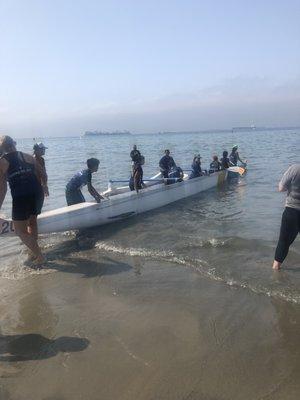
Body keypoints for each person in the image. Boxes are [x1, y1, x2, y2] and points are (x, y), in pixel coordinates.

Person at [0, 135, 46, 266]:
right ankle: (33, 252)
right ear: (14, 143)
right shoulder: (28, 156)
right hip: (37, 193)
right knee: (32, 223)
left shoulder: (2, 162)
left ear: (2, 148)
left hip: (21, 196)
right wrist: (45, 186)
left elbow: (2, 188)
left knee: (20, 231)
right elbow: (43, 173)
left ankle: (40, 256)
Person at [272, 164, 300, 270]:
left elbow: (281, 188)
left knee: (283, 242)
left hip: (292, 210)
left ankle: (275, 270)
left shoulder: (295, 168)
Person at [33, 142, 49, 214]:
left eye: (44, 149)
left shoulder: (42, 160)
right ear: (37, 150)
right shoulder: (32, 159)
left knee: (39, 206)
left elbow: (44, 173)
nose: (44, 151)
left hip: (40, 185)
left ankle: (36, 220)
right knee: (35, 207)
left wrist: (45, 185)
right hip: (34, 186)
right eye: (42, 149)